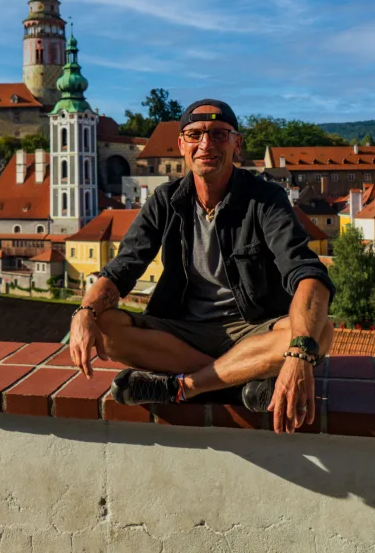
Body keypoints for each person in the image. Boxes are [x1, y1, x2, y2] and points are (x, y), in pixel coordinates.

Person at [69, 99, 335, 434]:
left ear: (237, 144)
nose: (206, 144)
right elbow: (120, 270)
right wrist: (84, 313)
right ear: (181, 145)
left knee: (318, 333)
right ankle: (241, 381)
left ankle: (185, 386)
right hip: (182, 333)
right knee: (103, 327)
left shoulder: (265, 199)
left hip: (252, 329)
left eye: (219, 134)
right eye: (195, 135)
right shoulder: (164, 201)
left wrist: (298, 355)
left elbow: (306, 274)